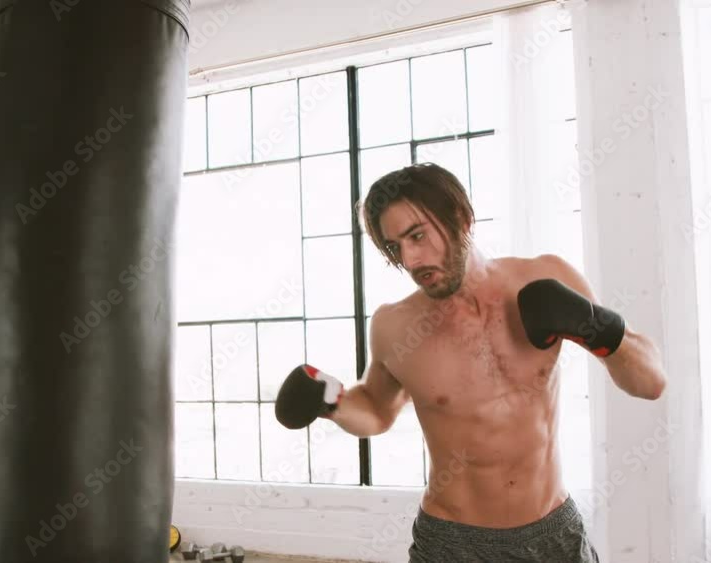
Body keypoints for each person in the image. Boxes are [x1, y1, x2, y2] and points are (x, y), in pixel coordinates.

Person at [275, 163, 667, 562]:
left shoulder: (547, 275)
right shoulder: (395, 326)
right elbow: (376, 409)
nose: (410, 259)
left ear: (461, 218)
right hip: (453, 544)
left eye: (418, 236)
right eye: (395, 248)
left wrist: (600, 330)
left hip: (553, 537)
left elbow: (650, 382)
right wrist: (331, 400)